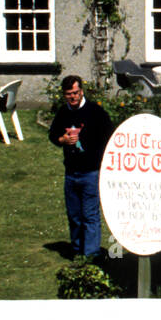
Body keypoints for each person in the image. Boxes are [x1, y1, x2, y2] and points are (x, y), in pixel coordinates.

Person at [47, 75, 115, 259]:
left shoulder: (95, 112)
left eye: (76, 93)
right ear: (64, 95)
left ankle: (91, 255)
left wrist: (102, 159)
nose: (73, 97)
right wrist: (63, 140)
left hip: (91, 172)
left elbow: (111, 136)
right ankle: (77, 250)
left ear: (81, 91)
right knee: (74, 215)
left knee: (90, 215)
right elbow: (53, 135)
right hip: (71, 172)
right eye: (69, 94)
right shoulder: (63, 113)